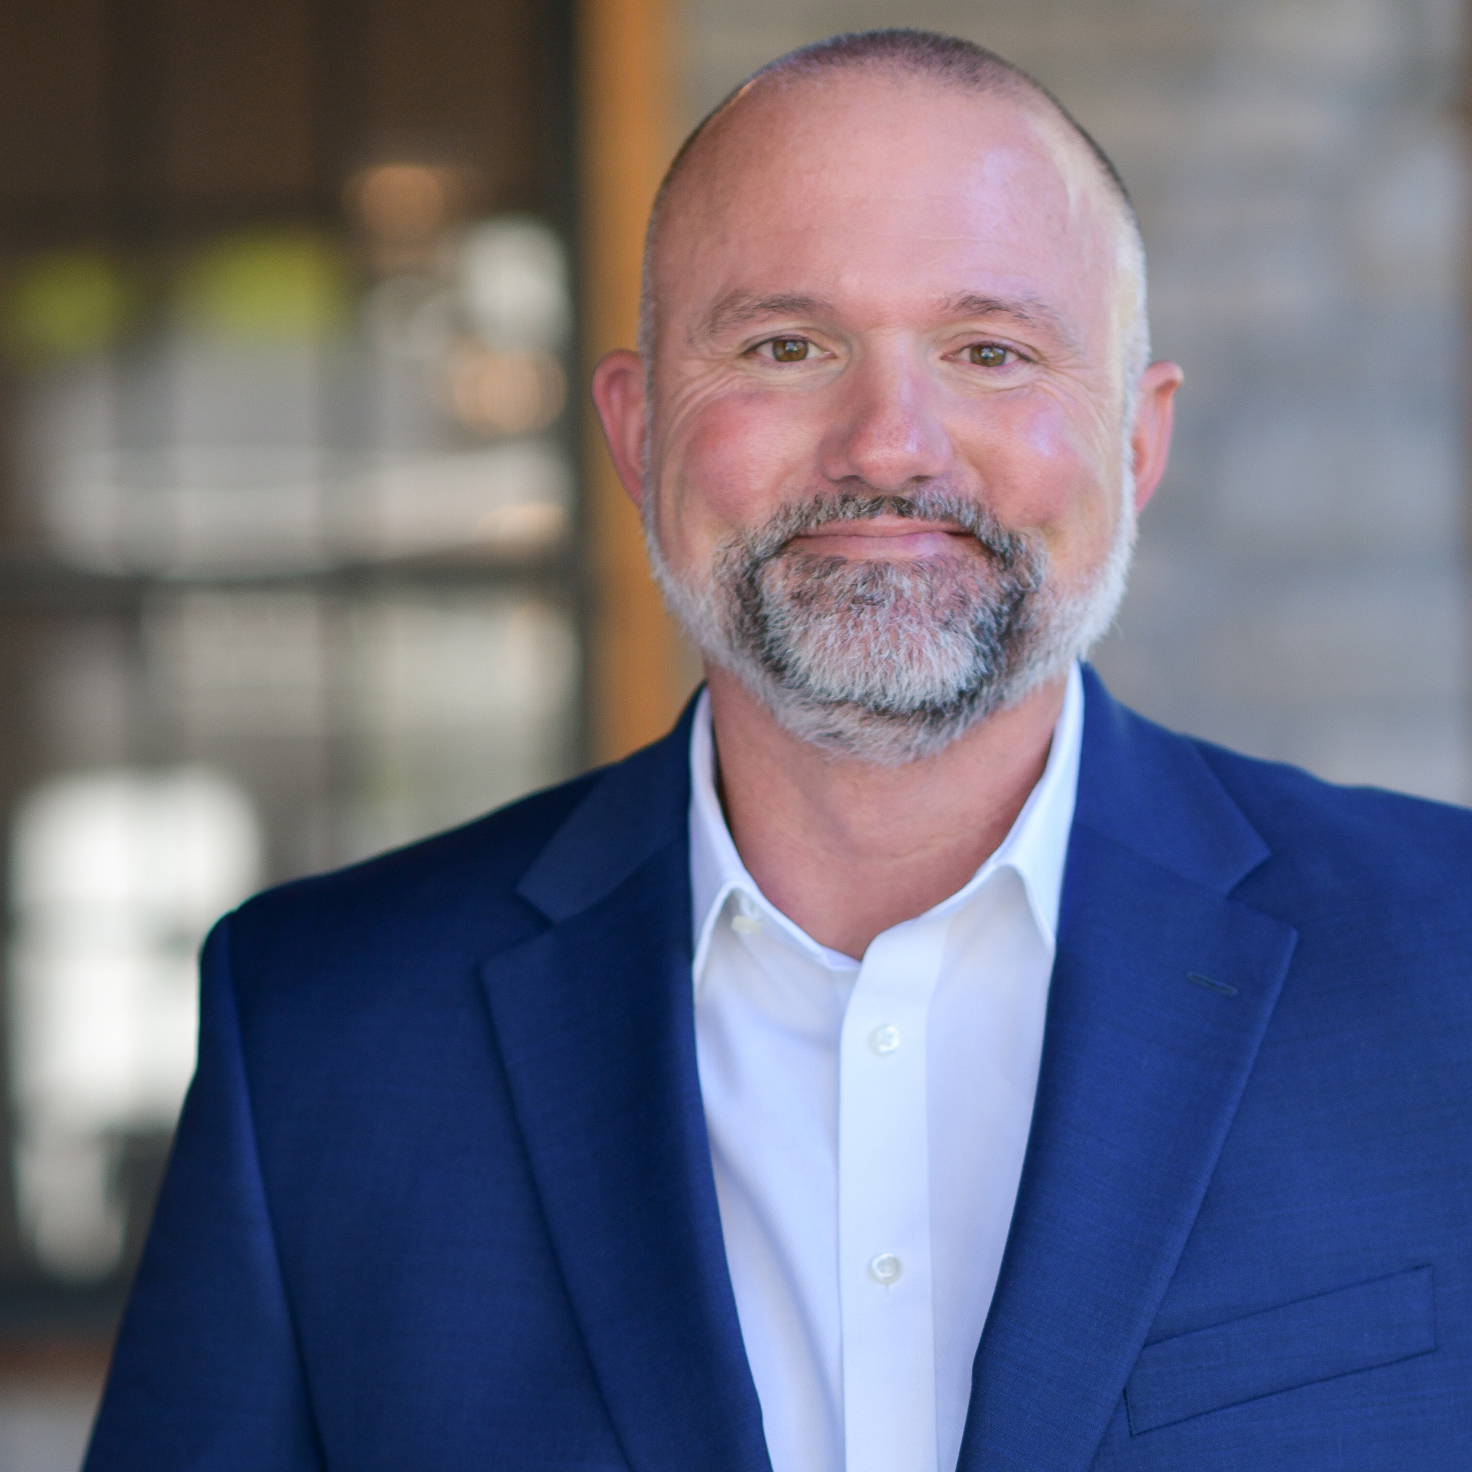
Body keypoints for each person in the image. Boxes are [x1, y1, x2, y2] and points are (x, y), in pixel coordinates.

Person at [85, 29, 1471, 1472]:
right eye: (785, 348)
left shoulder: (1454, 967)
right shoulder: (321, 1034)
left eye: (991, 351)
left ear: (1136, 440)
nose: (890, 444)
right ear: (636, 433)